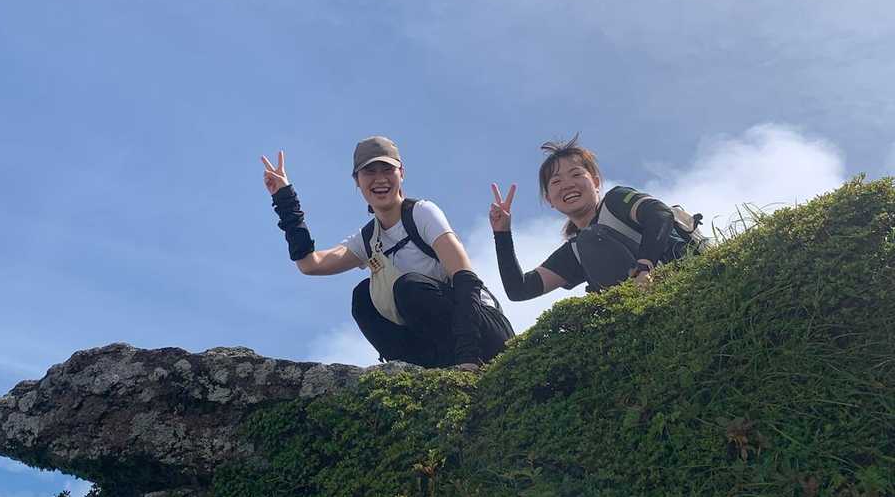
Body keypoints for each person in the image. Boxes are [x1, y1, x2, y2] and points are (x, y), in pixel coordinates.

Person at [262, 137, 513, 369]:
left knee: (408, 287)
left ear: (401, 173)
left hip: (484, 331)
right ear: (357, 181)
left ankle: (465, 362)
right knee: (363, 297)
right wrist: (285, 199)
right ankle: (416, 373)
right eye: (369, 171)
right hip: (443, 347)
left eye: (387, 170)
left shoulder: (422, 213)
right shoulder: (368, 239)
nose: (380, 179)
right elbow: (310, 264)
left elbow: (466, 279)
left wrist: (469, 358)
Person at [489, 135, 706, 301]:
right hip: (644, 310)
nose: (567, 184)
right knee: (589, 240)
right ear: (549, 200)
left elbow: (660, 214)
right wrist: (502, 233)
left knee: (592, 238)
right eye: (556, 182)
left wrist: (644, 266)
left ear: (595, 182)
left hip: (686, 282)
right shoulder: (577, 249)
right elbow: (520, 289)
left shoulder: (616, 201)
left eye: (576, 174)